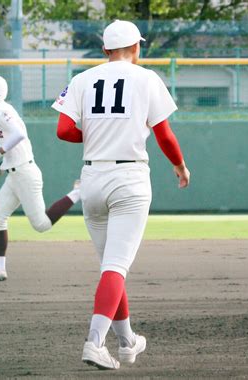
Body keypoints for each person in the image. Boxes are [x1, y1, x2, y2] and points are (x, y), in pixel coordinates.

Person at [52, 20, 190, 370]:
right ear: (136, 48)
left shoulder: (82, 79)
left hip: (92, 178)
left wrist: (101, 134)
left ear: (104, 51)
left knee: (111, 267)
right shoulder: (146, 78)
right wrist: (180, 166)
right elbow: (164, 135)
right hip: (128, 177)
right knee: (115, 266)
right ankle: (94, 342)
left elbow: (64, 130)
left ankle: (128, 341)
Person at [0, 74, 80, 282]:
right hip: (15, 173)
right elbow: (19, 144)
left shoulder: (0, 110)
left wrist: (0, 152)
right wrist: (2, 168)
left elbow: (20, 134)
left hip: (24, 174)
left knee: (41, 224)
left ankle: (78, 192)